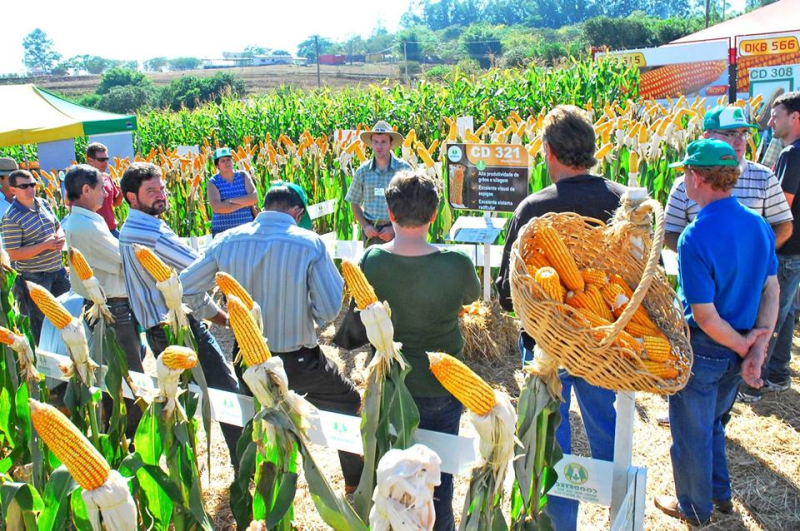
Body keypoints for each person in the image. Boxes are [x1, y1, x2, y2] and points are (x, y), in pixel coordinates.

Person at [179, 181, 364, 491]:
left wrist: (221, 318)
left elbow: (185, 288)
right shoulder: (309, 243)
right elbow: (331, 307)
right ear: (297, 211)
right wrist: (310, 318)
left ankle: (260, 489)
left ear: (262, 207)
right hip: (298, 360)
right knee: (347, 401)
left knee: (262, 419)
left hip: (247, 359)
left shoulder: (226, 241)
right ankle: (354, 484)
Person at [495, 105, 628, 531]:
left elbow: (507, 293)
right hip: (607, 346)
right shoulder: (623, 201)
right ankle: (618, 506)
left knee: (551, 435)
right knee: (605, 418)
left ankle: (560, 522)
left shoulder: (534, 208)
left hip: (546, 347)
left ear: (550, 152)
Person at [654, 139, 779, 525]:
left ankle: (694, 507)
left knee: (690, 433)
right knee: (713, 425)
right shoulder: (758, 225)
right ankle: (721, 495)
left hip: (706, 349)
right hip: (739, 346)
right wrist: (756, 345)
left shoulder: (695, 236)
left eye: (685, 175)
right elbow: (771, 290)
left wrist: (744, 344)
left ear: (696, 177)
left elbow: (705, 317)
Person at [359, 169, 481, 530]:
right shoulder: (456, 262)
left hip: (391, 387)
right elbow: (470, 299)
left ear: (391, 214)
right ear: (433, 214)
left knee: (394, 480)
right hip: (442, 387)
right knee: (438, 482)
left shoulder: (371, 261)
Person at [118, 162, 242, 466]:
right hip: (177, 328)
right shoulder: (150, 234)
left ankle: (182, 467)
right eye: (151, 191)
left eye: (161, 188)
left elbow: (179, 287)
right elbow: (200, 271)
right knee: (227, 392)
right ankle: (245, 463)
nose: (161, 195)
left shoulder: (131, 228)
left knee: (182, 397)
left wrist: (221, 319)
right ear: (131, 197)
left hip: (158, 329)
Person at [61, 164, 146, 438]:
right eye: (101, 189)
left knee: (113, 371)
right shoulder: (86, 227)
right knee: (130, 375)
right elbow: (124, 262)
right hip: (111, 309)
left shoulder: (86, 220)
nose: (106, 194)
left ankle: (115, 428)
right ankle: (133, 435)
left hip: (106, 306)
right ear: (86, 190)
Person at [664, 105, 793, 254]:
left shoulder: (765, 177)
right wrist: (702, 257)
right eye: (730, 134)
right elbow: (670, 232)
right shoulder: (685, 183)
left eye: (743, 133)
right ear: (707, 137)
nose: (739, 141)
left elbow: (783, 224)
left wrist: (757, 256)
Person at [740, 90, 800, 402]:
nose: (771, 122)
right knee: (787, 312)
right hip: (797, 248)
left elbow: (782, 207)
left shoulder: (791, 154)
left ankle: (754, 382)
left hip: (786, 247)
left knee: (770, 315)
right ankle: (778, 373)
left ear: (796, 117)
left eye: (777, 116)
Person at [1, 170, 68, 342]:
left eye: (32, 184)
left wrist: (59, 236)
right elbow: (13, 253)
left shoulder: (43, 203)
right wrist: (45, 245)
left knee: (68, 317)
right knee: (42, 326)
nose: (30, 188)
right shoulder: (11, 217)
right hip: (35, 278)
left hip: (57, 271)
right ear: (13, 189)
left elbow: (57, 225)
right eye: (24, 186)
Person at [345, 121, 411, 247]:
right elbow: (354, 202)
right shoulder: (362, 172)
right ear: (371, 144)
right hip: (371, 233)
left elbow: (413, 203)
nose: (379, 146)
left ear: (391, 144)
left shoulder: (404, 170)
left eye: (383, 142)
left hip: (398, 233)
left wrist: (395, 229)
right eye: (375, 142)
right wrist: (365, 226)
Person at [207, 147, 258, 237]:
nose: (227, 163)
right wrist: (245, 203)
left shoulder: (243, 175)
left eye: (228, 160)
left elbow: (254, 198)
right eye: (223, 161)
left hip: (246, 230)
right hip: (223, 233)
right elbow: (218, 208)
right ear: (217, 166)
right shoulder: (213, 182)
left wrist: (230, 200)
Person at [85, 143, 124, 237]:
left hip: (112, 229)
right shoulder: (83, 181)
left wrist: (122, 191)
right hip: (95, 232)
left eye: (106, 159)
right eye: (101, 160)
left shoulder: (107, 177)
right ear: (90, 160)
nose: (105, 162)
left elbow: (115, 203)